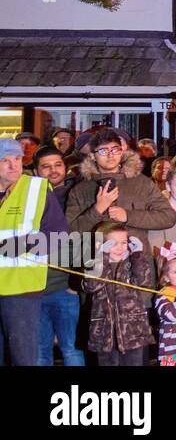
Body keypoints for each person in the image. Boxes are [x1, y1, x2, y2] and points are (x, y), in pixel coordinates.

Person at [66, 129, 176, 288]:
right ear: (92, 155)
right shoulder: (80, 189)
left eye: (115, 150)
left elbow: (168, 217)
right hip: (96, 278)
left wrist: (128, 216)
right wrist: (96, 210)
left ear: (122, 152)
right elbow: (70, 233)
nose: (110, 155)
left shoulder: (141, 183)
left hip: (136, 275)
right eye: (103, 151)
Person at [0, 138, 69, 366]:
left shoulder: (36, 190)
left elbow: (58, 237)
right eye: (5, 160)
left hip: (21, 290)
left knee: (23, 358)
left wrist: (13, 247)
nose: (14, 166)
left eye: (18, 159)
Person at [32, 145, 82, 367]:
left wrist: (75, 282)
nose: (53, 171)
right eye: (46, 166)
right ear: (35, 171)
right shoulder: (28, 199)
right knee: (40, 351)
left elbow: (85, 237)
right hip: (33, 287)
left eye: (57, 165)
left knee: (71, 349)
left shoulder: (76, 195)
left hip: (65, 286)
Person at [82, 224, 152, 366]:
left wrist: (138, 255)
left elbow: (144, 281)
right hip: (104, 334)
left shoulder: (131, 263)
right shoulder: (94, 264)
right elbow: (91, 285)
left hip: (132, 333)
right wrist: (101, 257)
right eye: (113, 244)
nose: (120, 247)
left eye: (124, 242)